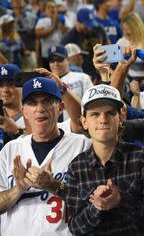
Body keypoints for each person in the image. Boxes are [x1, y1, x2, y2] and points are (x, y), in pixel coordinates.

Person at [66, 84, 144, 235]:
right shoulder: (76, 167)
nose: (103, 120)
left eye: (110, 113)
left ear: (122, 117)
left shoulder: (142, 158)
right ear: (84, 122)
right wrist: (96, 207)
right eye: (94, 114)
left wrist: (121, 200)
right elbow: (75, 228)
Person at [0, 77, 91, 235]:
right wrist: (19, 188)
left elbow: (94, 200)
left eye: (47, 101)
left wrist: (53, 184)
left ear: (61, 107)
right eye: (32, 102)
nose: (39, 108)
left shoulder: (82, 145)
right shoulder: (10, 150)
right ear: (24, 111)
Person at [60, 8, 110, 75]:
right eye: (87, 25)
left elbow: (108, 45)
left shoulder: (99, 28)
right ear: (78, 22)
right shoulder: (69, 37)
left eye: (91, 24)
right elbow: (61, 57)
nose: (89, 28)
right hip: (82, 72)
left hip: (100, 69)